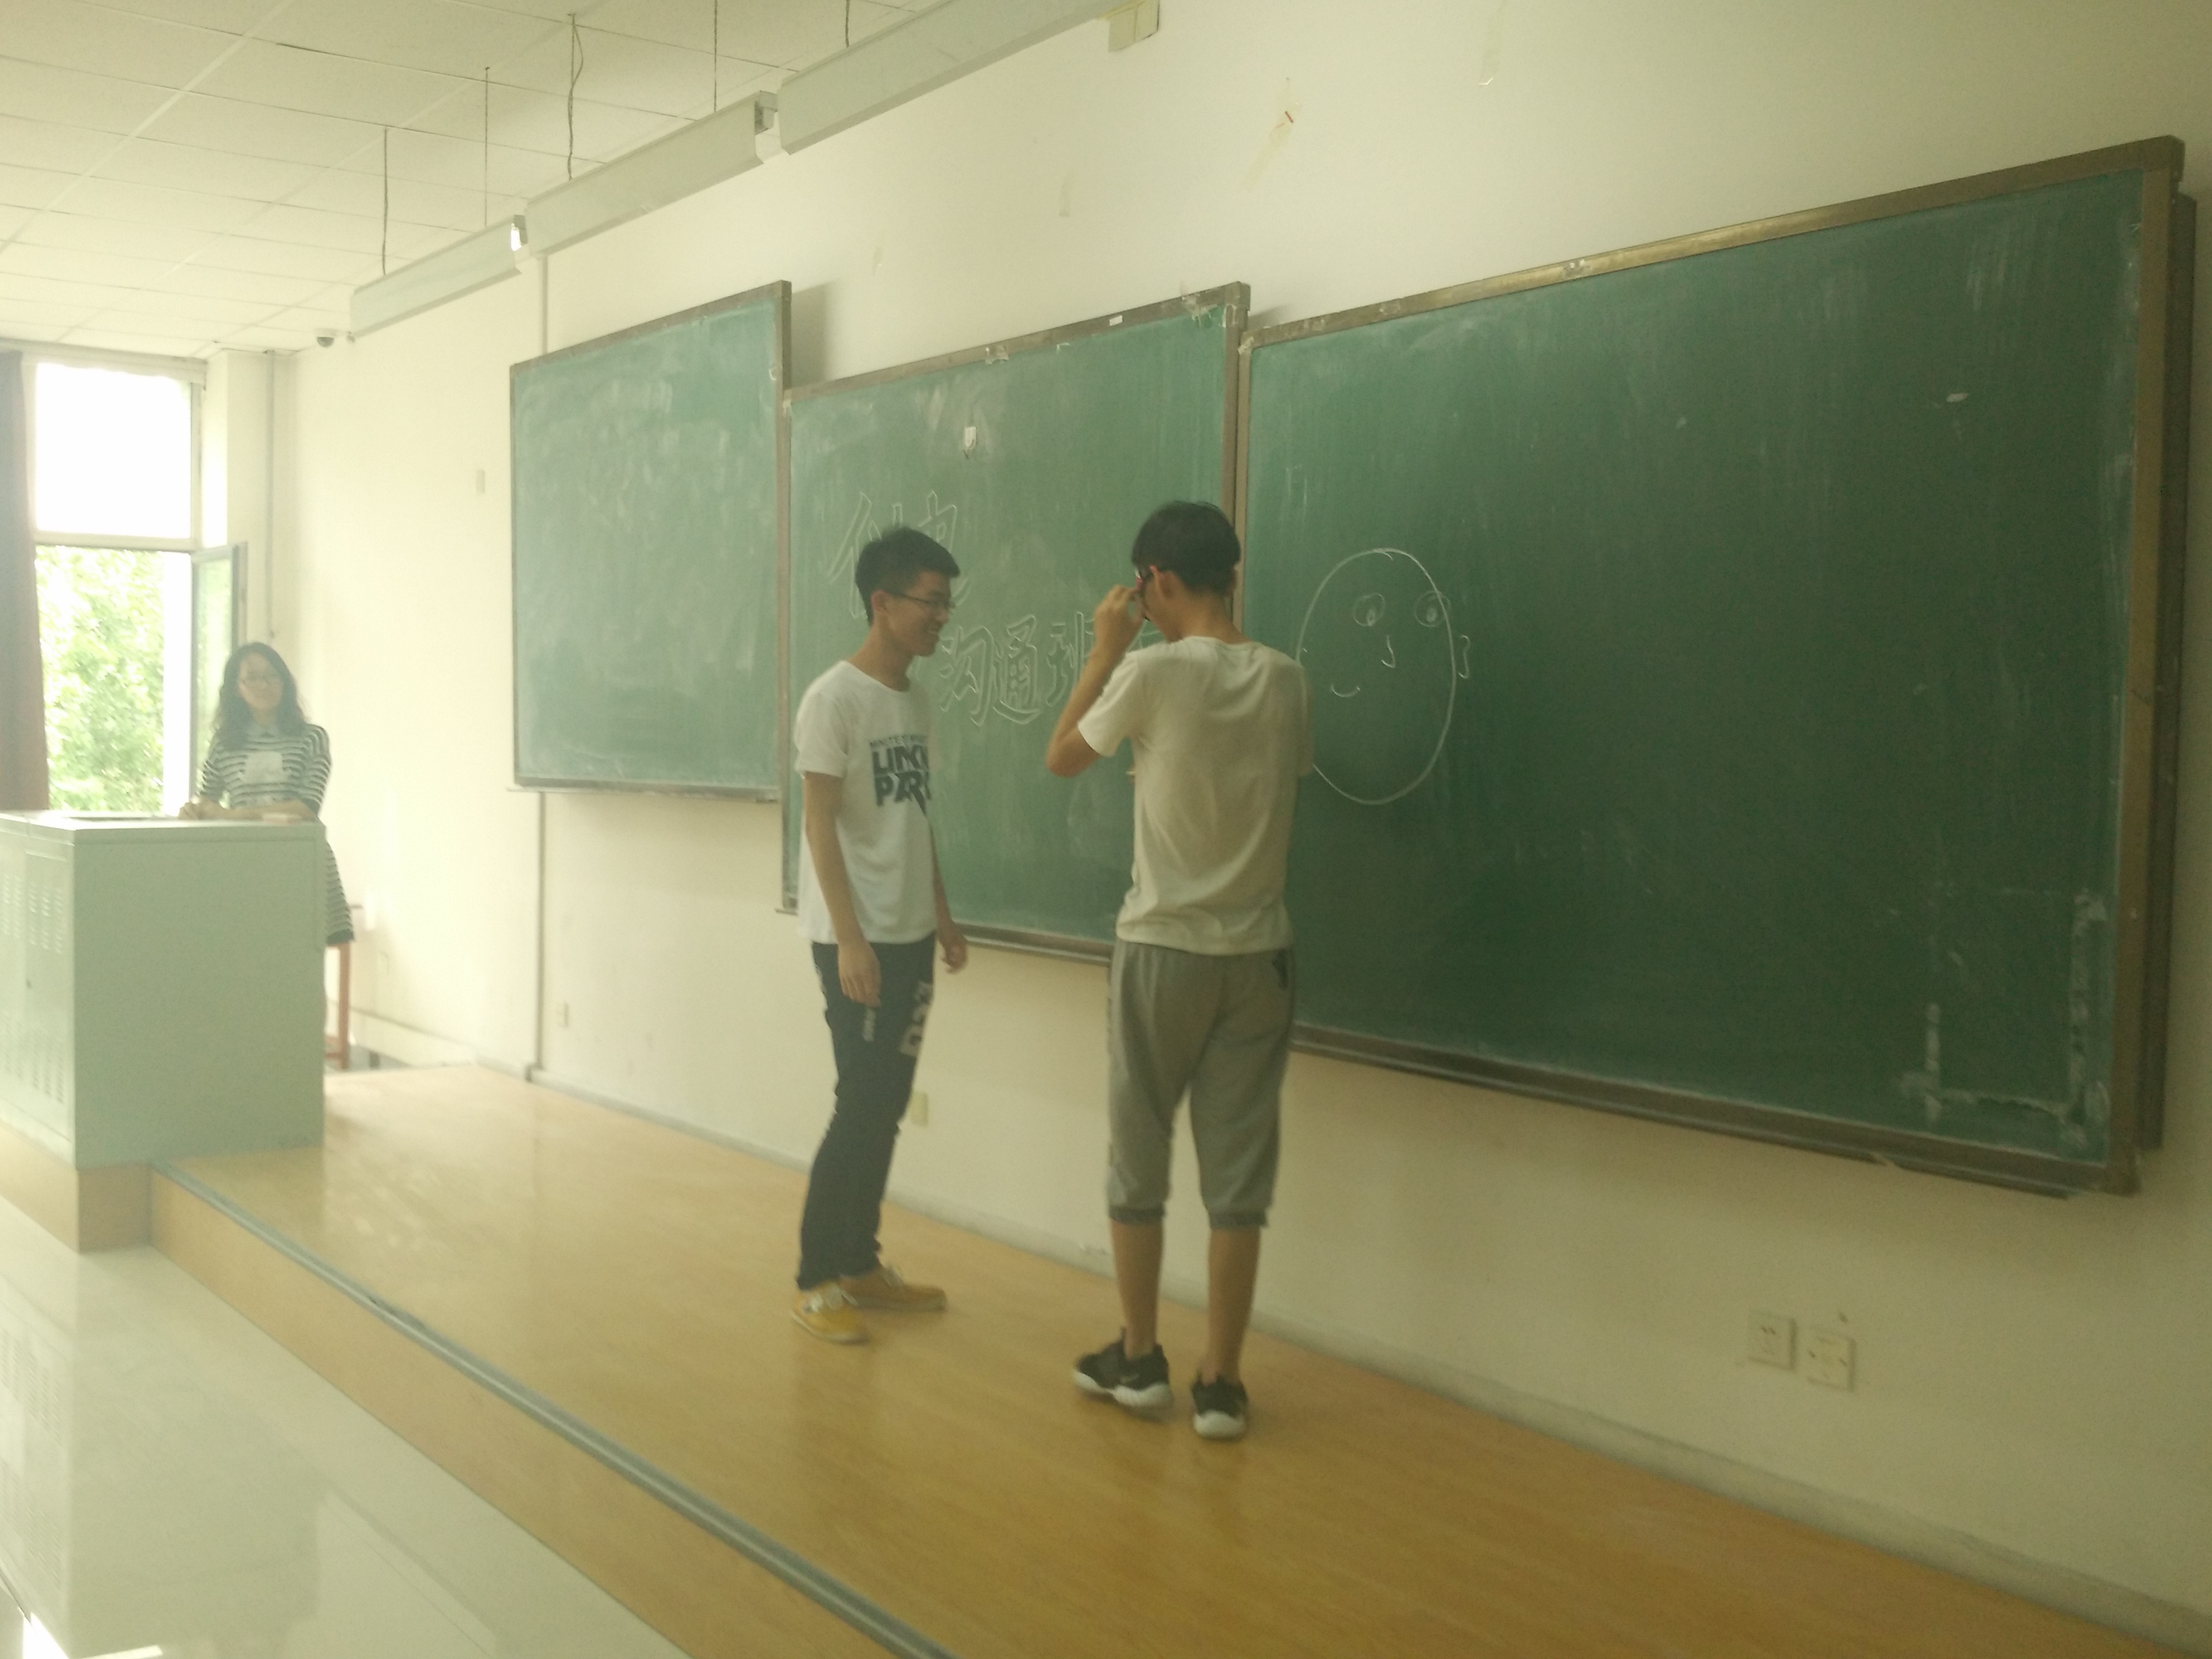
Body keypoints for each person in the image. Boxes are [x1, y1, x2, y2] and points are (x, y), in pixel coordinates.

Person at [1045, 500, 1312, 1442]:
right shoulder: (1287, 680)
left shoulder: (1152, 671)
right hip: (1259, 956)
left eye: (1143, 591)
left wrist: (1103, 653)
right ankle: (1222, 1385)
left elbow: (1062, 758)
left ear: (1157, 580)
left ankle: (1141, 1356)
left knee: (1139, 1155)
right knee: (1238, 1179)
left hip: (1163, 948)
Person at [791, 526, 970, 1343]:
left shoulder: (916, 701)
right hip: (854, 938)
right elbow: (819, 826)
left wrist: (942, 913)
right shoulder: (833, 700)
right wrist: (852, 940)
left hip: (910, 932)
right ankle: (816, 1279)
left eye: (947, 603)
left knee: (887, 1105)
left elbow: (914, 818)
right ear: (883, 602)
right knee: (860, 1104)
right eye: (931, 602)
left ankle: (860, 1264)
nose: (942, 617)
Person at [180, 642, 354, 949]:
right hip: (244, 860)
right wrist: (195, 809)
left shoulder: (311, 738)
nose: (264, 684)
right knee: (247, 953)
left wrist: (234, 816)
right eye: (253, 677)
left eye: (272, 676)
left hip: (301, 858)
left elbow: (306, 807)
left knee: (304, 958)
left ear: (285, 682)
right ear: (237, 688)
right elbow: (208, 798)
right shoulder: (224, 743)